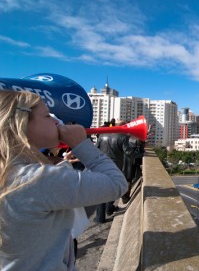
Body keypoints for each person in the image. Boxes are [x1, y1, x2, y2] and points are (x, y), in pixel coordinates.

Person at [0, 90, 128, 271]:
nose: (55, 121)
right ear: (20, 125)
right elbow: (117, 184)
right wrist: (81, 144)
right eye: (46, 116)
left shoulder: (11, 173)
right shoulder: (37, 179)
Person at [95, 120, 132, 222]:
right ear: (123, 126)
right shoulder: (123, 136)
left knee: (101, 190)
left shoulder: (102, 135)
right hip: (115, 166)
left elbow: (96, 149)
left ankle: (100, 216)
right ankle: (108, 209)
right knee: (112, 188)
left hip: (101, 164)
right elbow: (128, 152)